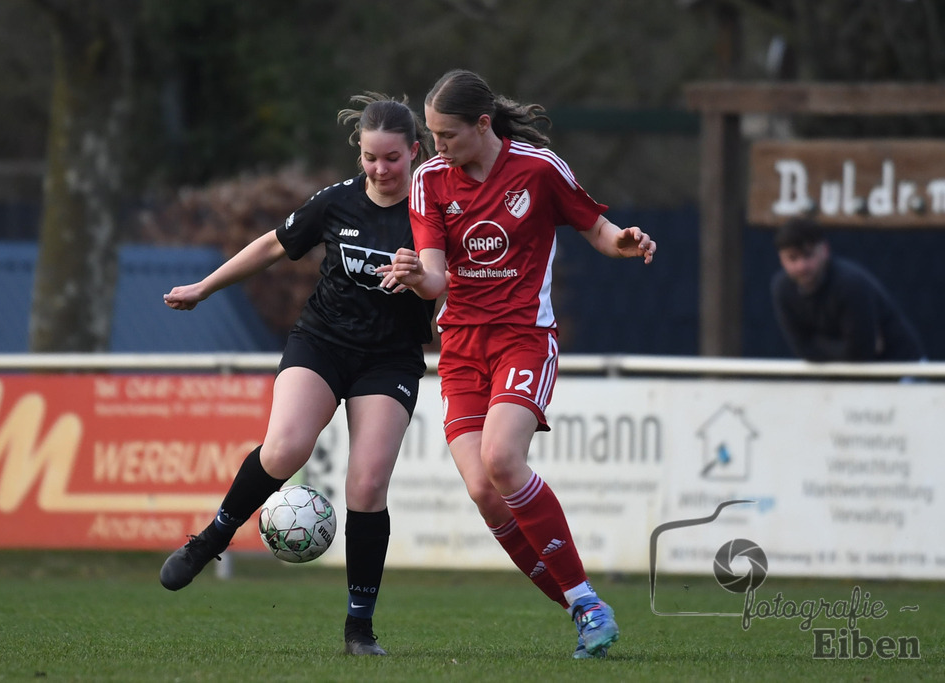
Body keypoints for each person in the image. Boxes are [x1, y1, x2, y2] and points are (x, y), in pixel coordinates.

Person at [379, 69, 656, 659]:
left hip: (524, 338)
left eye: (446, 134)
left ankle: (584, 602)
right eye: (430, 134)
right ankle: (586, 606)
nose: (436, 147)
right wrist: (412, 275)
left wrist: (625, 241)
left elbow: (599, 230)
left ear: (483, 125)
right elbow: (434, 279)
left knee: (503, 459)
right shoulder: (430, 181)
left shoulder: (538, 169)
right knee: (482, 488)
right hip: (460, 347)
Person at [159, 93, 435, 657]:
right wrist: (204, 287)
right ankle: (213, 536)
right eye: (370, 158)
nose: (380, 169)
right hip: (322, 342)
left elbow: (448, 280)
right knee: (284, 450)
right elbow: (271, 245)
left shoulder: (435, 210)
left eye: (392, 159)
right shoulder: (336, 203)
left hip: (390, 359)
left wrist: (421, 276)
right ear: (358, 153)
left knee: (367, 485)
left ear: (415, 152)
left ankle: (359, 629)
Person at [771, 218, 925, 362]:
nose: (802, 266)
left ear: (824, 250)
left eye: (808, 255)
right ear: (781, 259)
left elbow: (859, 354)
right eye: (793, 258)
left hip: (903, 369)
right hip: (851, 377)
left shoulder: (850, 284)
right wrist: (846, 348)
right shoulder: (782, 288)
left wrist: (816, 343)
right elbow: (801, 348)